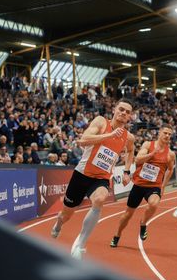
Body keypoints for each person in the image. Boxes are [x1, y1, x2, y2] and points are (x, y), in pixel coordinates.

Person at [50, 99, 135, 260]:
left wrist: (126, 171)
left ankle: (79, 244)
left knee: (101, 198)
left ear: (130, 117)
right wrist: (109, 135)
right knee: (66, 215)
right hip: (82, 175)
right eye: (121, 109)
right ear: (115, 110)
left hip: (101, 178)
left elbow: (130, 152)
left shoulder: (128, 137)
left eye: (127, 112)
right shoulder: (101, 122)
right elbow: (83, 140)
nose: (124, 113)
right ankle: (58, 224)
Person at [110, 125, 175, 248]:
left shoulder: (170, 154)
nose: (167, 136)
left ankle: (143, 223)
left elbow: (171, 170)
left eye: (169, 134)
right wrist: (152, 153)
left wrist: (163, 186)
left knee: (154, 203)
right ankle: (117, 235)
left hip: (154, 186)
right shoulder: (147, 145)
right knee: (127, 215)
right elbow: (138, 160)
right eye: (165, 133)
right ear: (159, 133)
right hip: (139, 185)